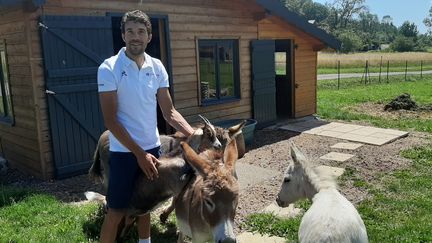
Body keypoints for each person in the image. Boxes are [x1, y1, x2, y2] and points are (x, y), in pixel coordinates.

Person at [97, 10, 194, 243]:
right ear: (123, 35)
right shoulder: (108, 68)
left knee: (146, 206)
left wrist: (195, 136)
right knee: (116, 211)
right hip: (123, 153)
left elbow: (169, 112)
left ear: (149, 36)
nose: (135, 36)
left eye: (141, 31)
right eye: (130, 31)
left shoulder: (157, 67)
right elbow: (111, 121)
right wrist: (139, 154)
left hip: (152, 149)